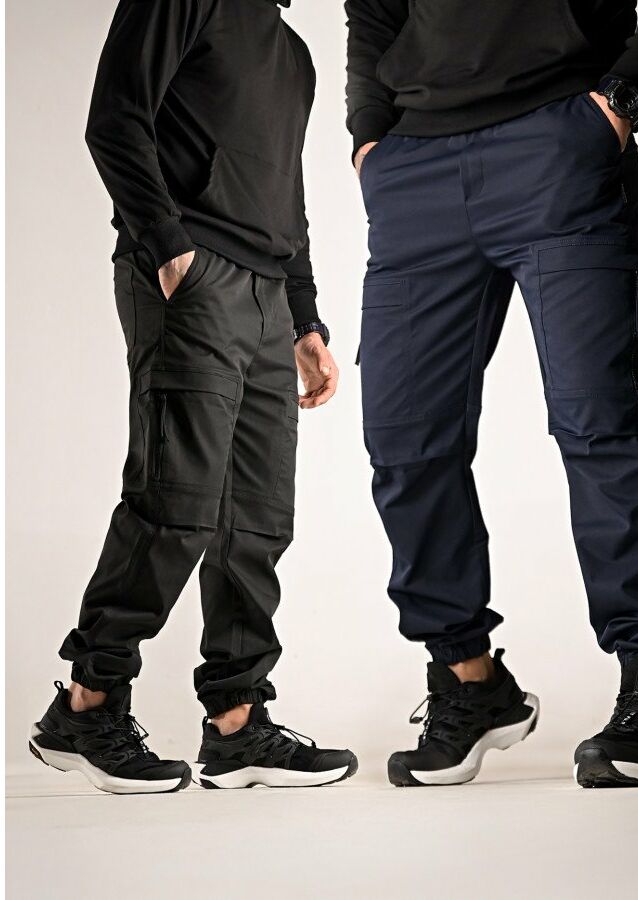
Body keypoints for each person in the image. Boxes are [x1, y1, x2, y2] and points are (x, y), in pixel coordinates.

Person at [346, 0, 638, 788]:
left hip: (559, 137)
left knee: (601, 422)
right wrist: (368, 138)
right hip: (414, 168)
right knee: (405, 440)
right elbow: (373, 13)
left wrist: (626, 90)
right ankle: (469, 681)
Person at [29, 0, 357, 794]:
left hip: (269, 294)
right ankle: (87, 704)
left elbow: (286, 191)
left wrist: (304, 316)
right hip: (194, 274)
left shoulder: (293, 53)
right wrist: (168, 246)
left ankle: (238, 723)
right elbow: (115, 119)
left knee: (257, 517)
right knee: (176, 501)